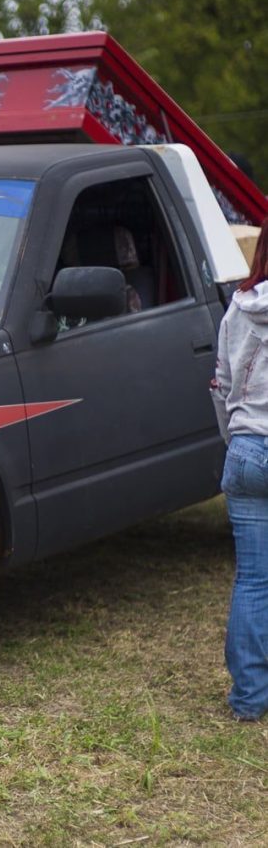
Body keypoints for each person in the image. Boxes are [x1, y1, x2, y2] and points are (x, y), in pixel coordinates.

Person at [212, 216, 268, 723]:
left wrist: (236, 440)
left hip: (247, 450)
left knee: (253, 579)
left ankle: (249, 699)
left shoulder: (238, 307)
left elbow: (221, 383)